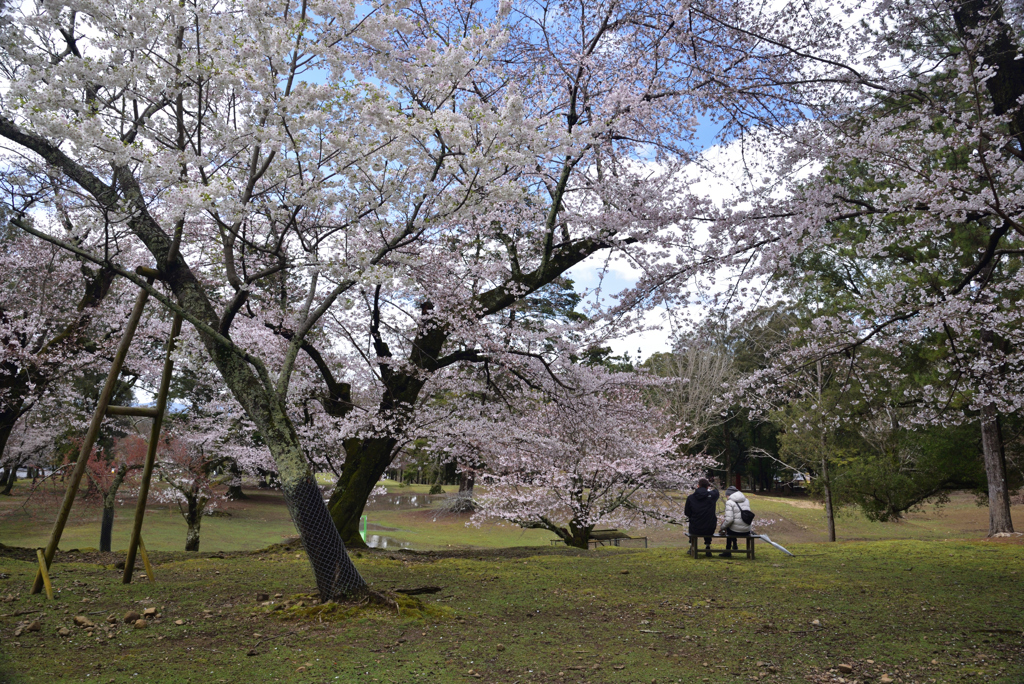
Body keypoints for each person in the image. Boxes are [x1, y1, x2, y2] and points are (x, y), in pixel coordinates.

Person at [684, 478, 719, 557]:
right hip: (709, 528)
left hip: (695, 527)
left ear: (698, 486)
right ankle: (707, 545)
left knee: (693, 522)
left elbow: (687, 513)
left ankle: (692, 545)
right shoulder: (712, 496)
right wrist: (709, 487)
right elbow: (717, 491)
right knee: (708, 521)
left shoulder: (691, 498)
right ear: (708, 487)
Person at [719, 485, 752, 557]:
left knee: (729, 526)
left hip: (735, 531)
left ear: (728, 495)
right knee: (735, 524)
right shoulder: (746, 500)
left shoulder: (729, 502)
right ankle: (735, 545)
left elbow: (729, 520)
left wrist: (722, 527)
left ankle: (728, 551)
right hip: (747, 530)